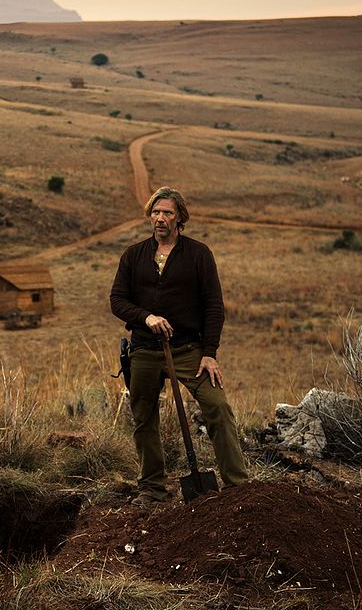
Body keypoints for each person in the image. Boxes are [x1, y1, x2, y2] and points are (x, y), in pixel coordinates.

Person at [110, 186, 250, 505]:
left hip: (188, 350)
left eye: (167, 213)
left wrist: (210, 354)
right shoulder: (133, 255)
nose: (160, 218)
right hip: (144, 349)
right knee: (144, 416)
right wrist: (145, 317)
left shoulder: (198, 254)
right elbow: (117, 300)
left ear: (180, 218)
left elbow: (214, 306)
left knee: (217, 406)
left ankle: (237, 486)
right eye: (156, 212)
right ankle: (153, 489)